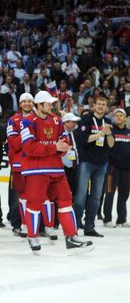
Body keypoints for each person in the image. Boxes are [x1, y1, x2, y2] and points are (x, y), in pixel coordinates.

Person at [20, 91, 92, 252]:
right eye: (49, 103)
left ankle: (71, 236)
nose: (52, 106)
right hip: (36, 170)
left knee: (66, 200)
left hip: (56, 169)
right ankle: (32, 237)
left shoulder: (57, 120)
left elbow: (63, 140)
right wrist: (55, 147)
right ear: (39, 105)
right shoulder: (27, 122)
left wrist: (63, 147)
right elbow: (29, 147)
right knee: (35, 203)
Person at [74, 96, 115, 237]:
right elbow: (84, 141)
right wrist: (101, 133)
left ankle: (89, 227)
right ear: (94, 105)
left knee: (96, 197)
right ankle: (74, 225)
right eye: (99, 104)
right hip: (87, 162)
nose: (101, 106)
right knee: (81, 195)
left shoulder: (108, 122)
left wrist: (108, 134)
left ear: (107, 107)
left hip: (102, 164)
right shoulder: (86, 119)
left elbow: (111, 144)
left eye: (104, 104)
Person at [6, 93, 34, 237]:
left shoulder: (38, 118)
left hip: (36, 164)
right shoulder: (12, 120)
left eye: (30, 101)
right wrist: (28, 133)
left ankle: (34, 225)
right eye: (24, 101)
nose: (27, 104)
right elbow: (14, 144)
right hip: (18, 164)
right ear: (20, 104)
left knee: (35, 196)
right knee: (17, 197)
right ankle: (17, 224)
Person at [102, 109, 130, 228]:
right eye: (116, 116)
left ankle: (122, 220)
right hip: (113, 168)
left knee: (124, 194)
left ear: (125, 118)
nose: (118, 117)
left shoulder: (129, 132)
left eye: (121, 115)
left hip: (127, 168)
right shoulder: (110, 130)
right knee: (109, 193)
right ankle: (107, 219)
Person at [61, 112, 81, 197]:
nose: (75, 124)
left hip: (74, 169)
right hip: (63, 169)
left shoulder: (74, 133)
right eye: (73, 122)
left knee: (73, 192)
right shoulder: (59, 134)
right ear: (66, 122)